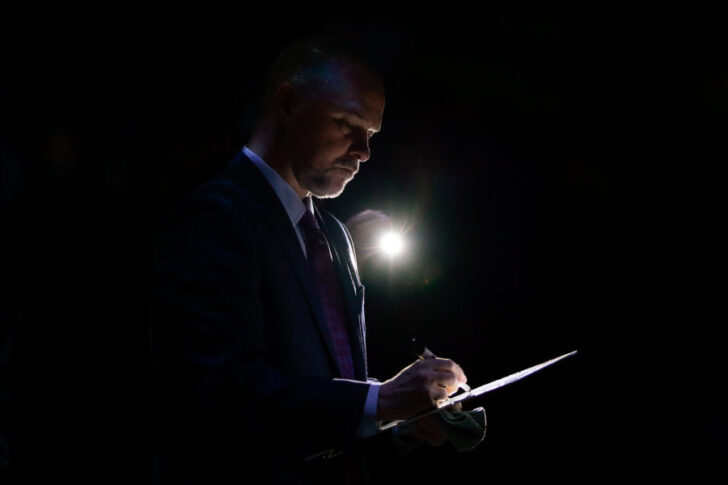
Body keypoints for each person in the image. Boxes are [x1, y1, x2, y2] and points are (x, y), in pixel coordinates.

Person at [149, 36, 469, 484]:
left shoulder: (335, 235)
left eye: (371, 134)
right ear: (286, 103)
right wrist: (379, 402)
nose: (364, 151)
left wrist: (399, 421)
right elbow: (226, 396)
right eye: (347, 124)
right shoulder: (214, 218)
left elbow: (324, 391)